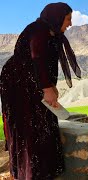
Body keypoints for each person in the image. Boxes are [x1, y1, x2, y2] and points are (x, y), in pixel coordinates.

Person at [0, 3, 81, 179]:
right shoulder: (39, 32)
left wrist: (51, 86)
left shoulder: (50, 33)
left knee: (43, 123)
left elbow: (45, 64)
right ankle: (31, 173)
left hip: (32, 83)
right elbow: (37, 59)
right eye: (68, 19)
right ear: (57, 17)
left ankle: (44, 171)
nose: (70, 23)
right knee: (29, 127)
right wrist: (47, 88)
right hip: (18, 85)